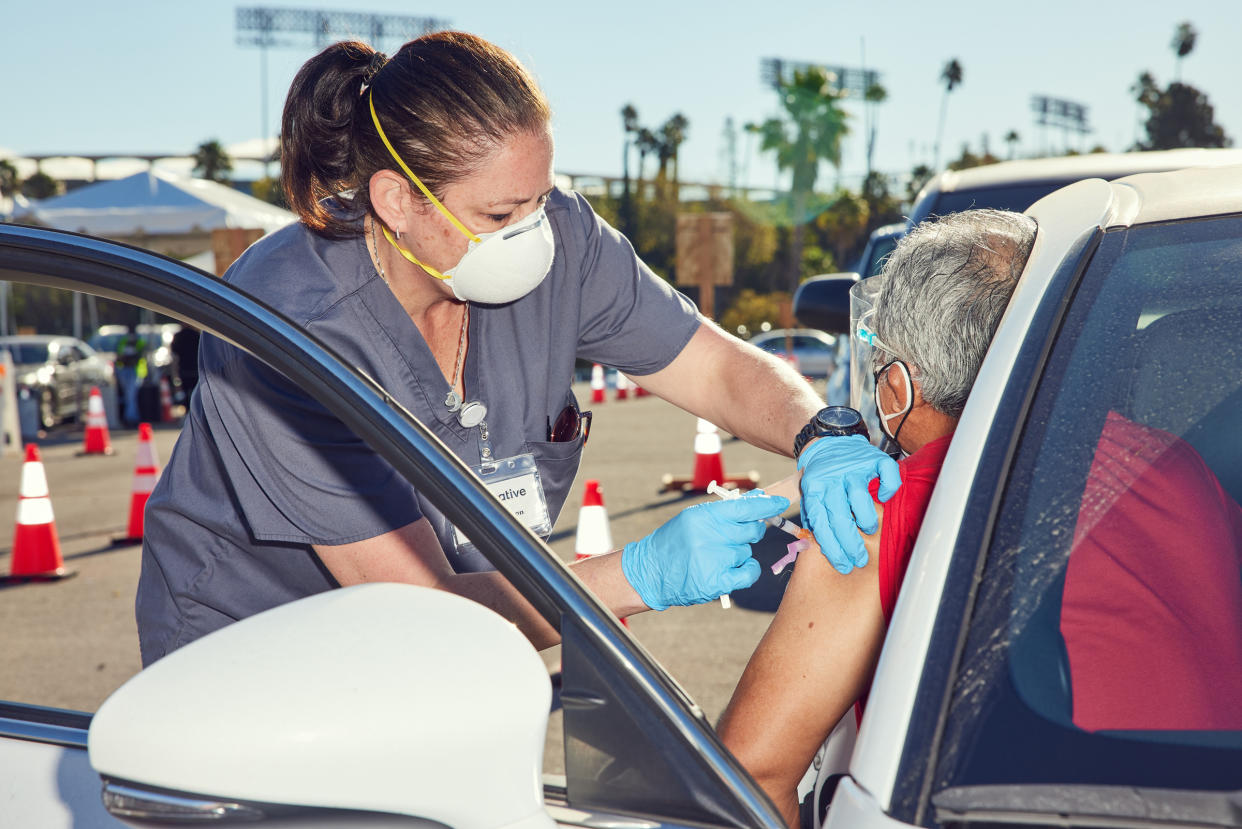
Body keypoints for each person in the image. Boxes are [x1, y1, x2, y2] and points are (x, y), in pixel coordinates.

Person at [135, 32, 899, 666]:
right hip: (257, 654)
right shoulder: (289, 329)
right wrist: (642, 574)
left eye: (541, 195)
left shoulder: (562, 238)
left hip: (472, 635)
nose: (538, 231)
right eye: (502, 212)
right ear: (397, 200)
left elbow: (716, 364)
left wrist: (821, 432)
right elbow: (421, 617)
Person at [716, 209, 1242, 827]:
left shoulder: (882, 510)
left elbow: (749, 777)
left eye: (877, 353)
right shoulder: (1172, 462)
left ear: (896, 388)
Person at [114, 324, 147, 427]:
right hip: (126, 370)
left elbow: (140, 355)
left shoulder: (139, 342)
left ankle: (131, 418)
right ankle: (131, 417)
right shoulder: (125, 341)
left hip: (133, 370)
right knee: (130, 396)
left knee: (130, 396)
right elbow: (119, 356)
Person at [169, 323, 200, 404]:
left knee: (186, 399)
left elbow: (175, 358)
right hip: (196, 372)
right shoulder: (197, 335)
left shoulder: (178, 336)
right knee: (197, 398)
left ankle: (188, 412)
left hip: (184, 372)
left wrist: (175, 377)